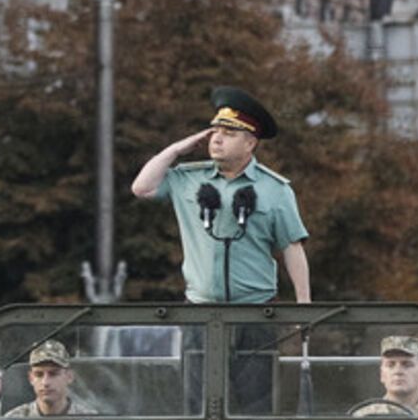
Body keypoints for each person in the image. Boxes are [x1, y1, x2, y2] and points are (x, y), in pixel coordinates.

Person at [130, 87, 310, 305]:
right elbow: (141, 188)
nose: (216, 140)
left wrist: (304, 303)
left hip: (256, 309)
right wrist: (176, 150)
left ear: (250, 144)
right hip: (199, 307)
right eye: (215, 132)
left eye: (229, 134)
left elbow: (291, 247)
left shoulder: (275, 188)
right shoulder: (188, 178)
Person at [354, 336, 418, 417]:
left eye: (407, 364)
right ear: (382, 374)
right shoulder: (365, 417)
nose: (398, 371)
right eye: (391, 365)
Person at [4, 342, 96, 418]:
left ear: (69, 377)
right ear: (31, 378)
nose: (45, 382)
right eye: (39, 375)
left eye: (53, 374)